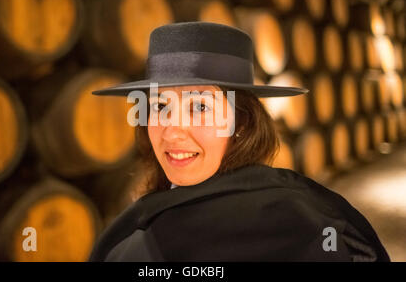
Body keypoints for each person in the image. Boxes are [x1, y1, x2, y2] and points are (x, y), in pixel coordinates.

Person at [88, 22, 390, 261]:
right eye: (159, 106)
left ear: (242, 123)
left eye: (201, 107)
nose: (172, 131)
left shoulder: (140, 245)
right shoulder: (308, 208)